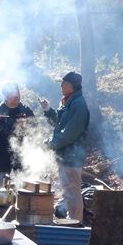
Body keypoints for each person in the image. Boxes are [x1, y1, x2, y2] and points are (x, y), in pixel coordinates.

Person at [40, 72, 90, 222]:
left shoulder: (79, 104)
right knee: (69, 192)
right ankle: (72, 221)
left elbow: (69, 134)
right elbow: (61, 124)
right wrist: (49, 111)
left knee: (73, 192)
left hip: (72, 156)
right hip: (66, 155)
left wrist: (50, 143)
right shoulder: (69, 101)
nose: (61, 86)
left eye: (63, 84)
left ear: (70, 85)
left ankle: (75, 224)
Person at [0, 83, 35, 189]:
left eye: (18, 92)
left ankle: (21, 204)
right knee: (1, 189)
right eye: (13, 93)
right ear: (6, 96)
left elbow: (35, 129)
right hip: (2, 154)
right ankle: (1, 205)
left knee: (23, 188)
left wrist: (27, 125)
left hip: (21, 154)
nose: (16, 96)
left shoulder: (25, 110)